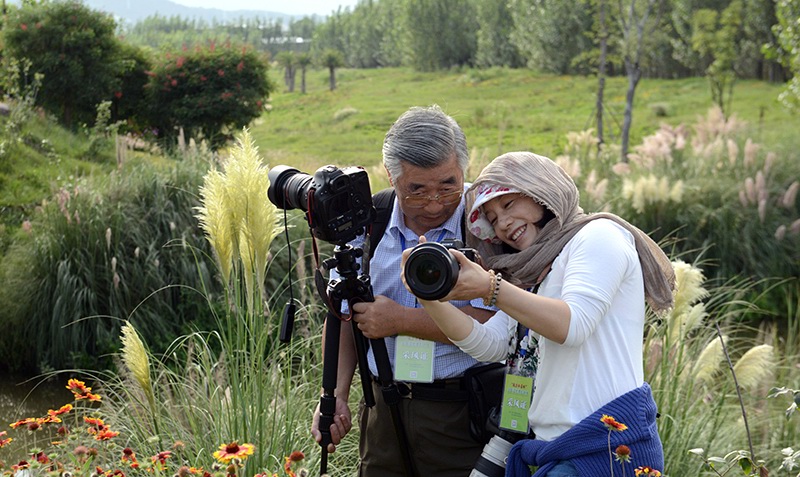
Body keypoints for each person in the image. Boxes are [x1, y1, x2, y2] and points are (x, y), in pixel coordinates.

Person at [402, 151, 675, 476]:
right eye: (492, 217)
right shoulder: (534, 275)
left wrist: (489, 288)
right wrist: (430, 295)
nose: (502, 223)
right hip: (557, 448)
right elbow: (489, 345)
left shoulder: (598, 236)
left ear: (541, 191)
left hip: (606, 447)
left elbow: (573, 324)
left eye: (508, 204)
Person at [310, 105, 496, 477]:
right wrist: (336, 395)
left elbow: (496, 322)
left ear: (464, 168)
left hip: (463, 412)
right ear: (391, 177)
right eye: (417, 190)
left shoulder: (487, 221)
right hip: (382, 408)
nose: (434, 203)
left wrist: (400, 321)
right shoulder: (369, 222)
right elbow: (345, 314)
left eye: (449, 185)